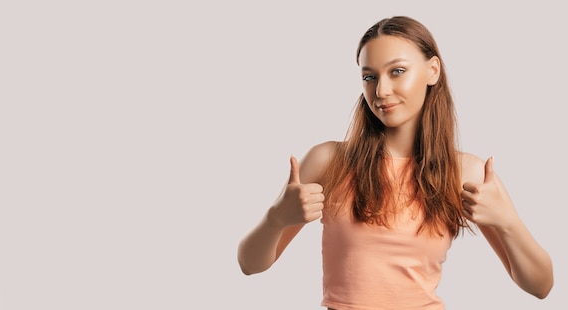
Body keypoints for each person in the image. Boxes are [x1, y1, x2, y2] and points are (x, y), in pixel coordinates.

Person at [236, 15, 554, 309]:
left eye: (397, 71)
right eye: (369, 77)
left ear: (433, 71)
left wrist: (508, 223)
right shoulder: (328, 160)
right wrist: (276, 218)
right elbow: (250, 264)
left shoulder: (464, 172)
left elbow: (540, 286)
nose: (381, 91)